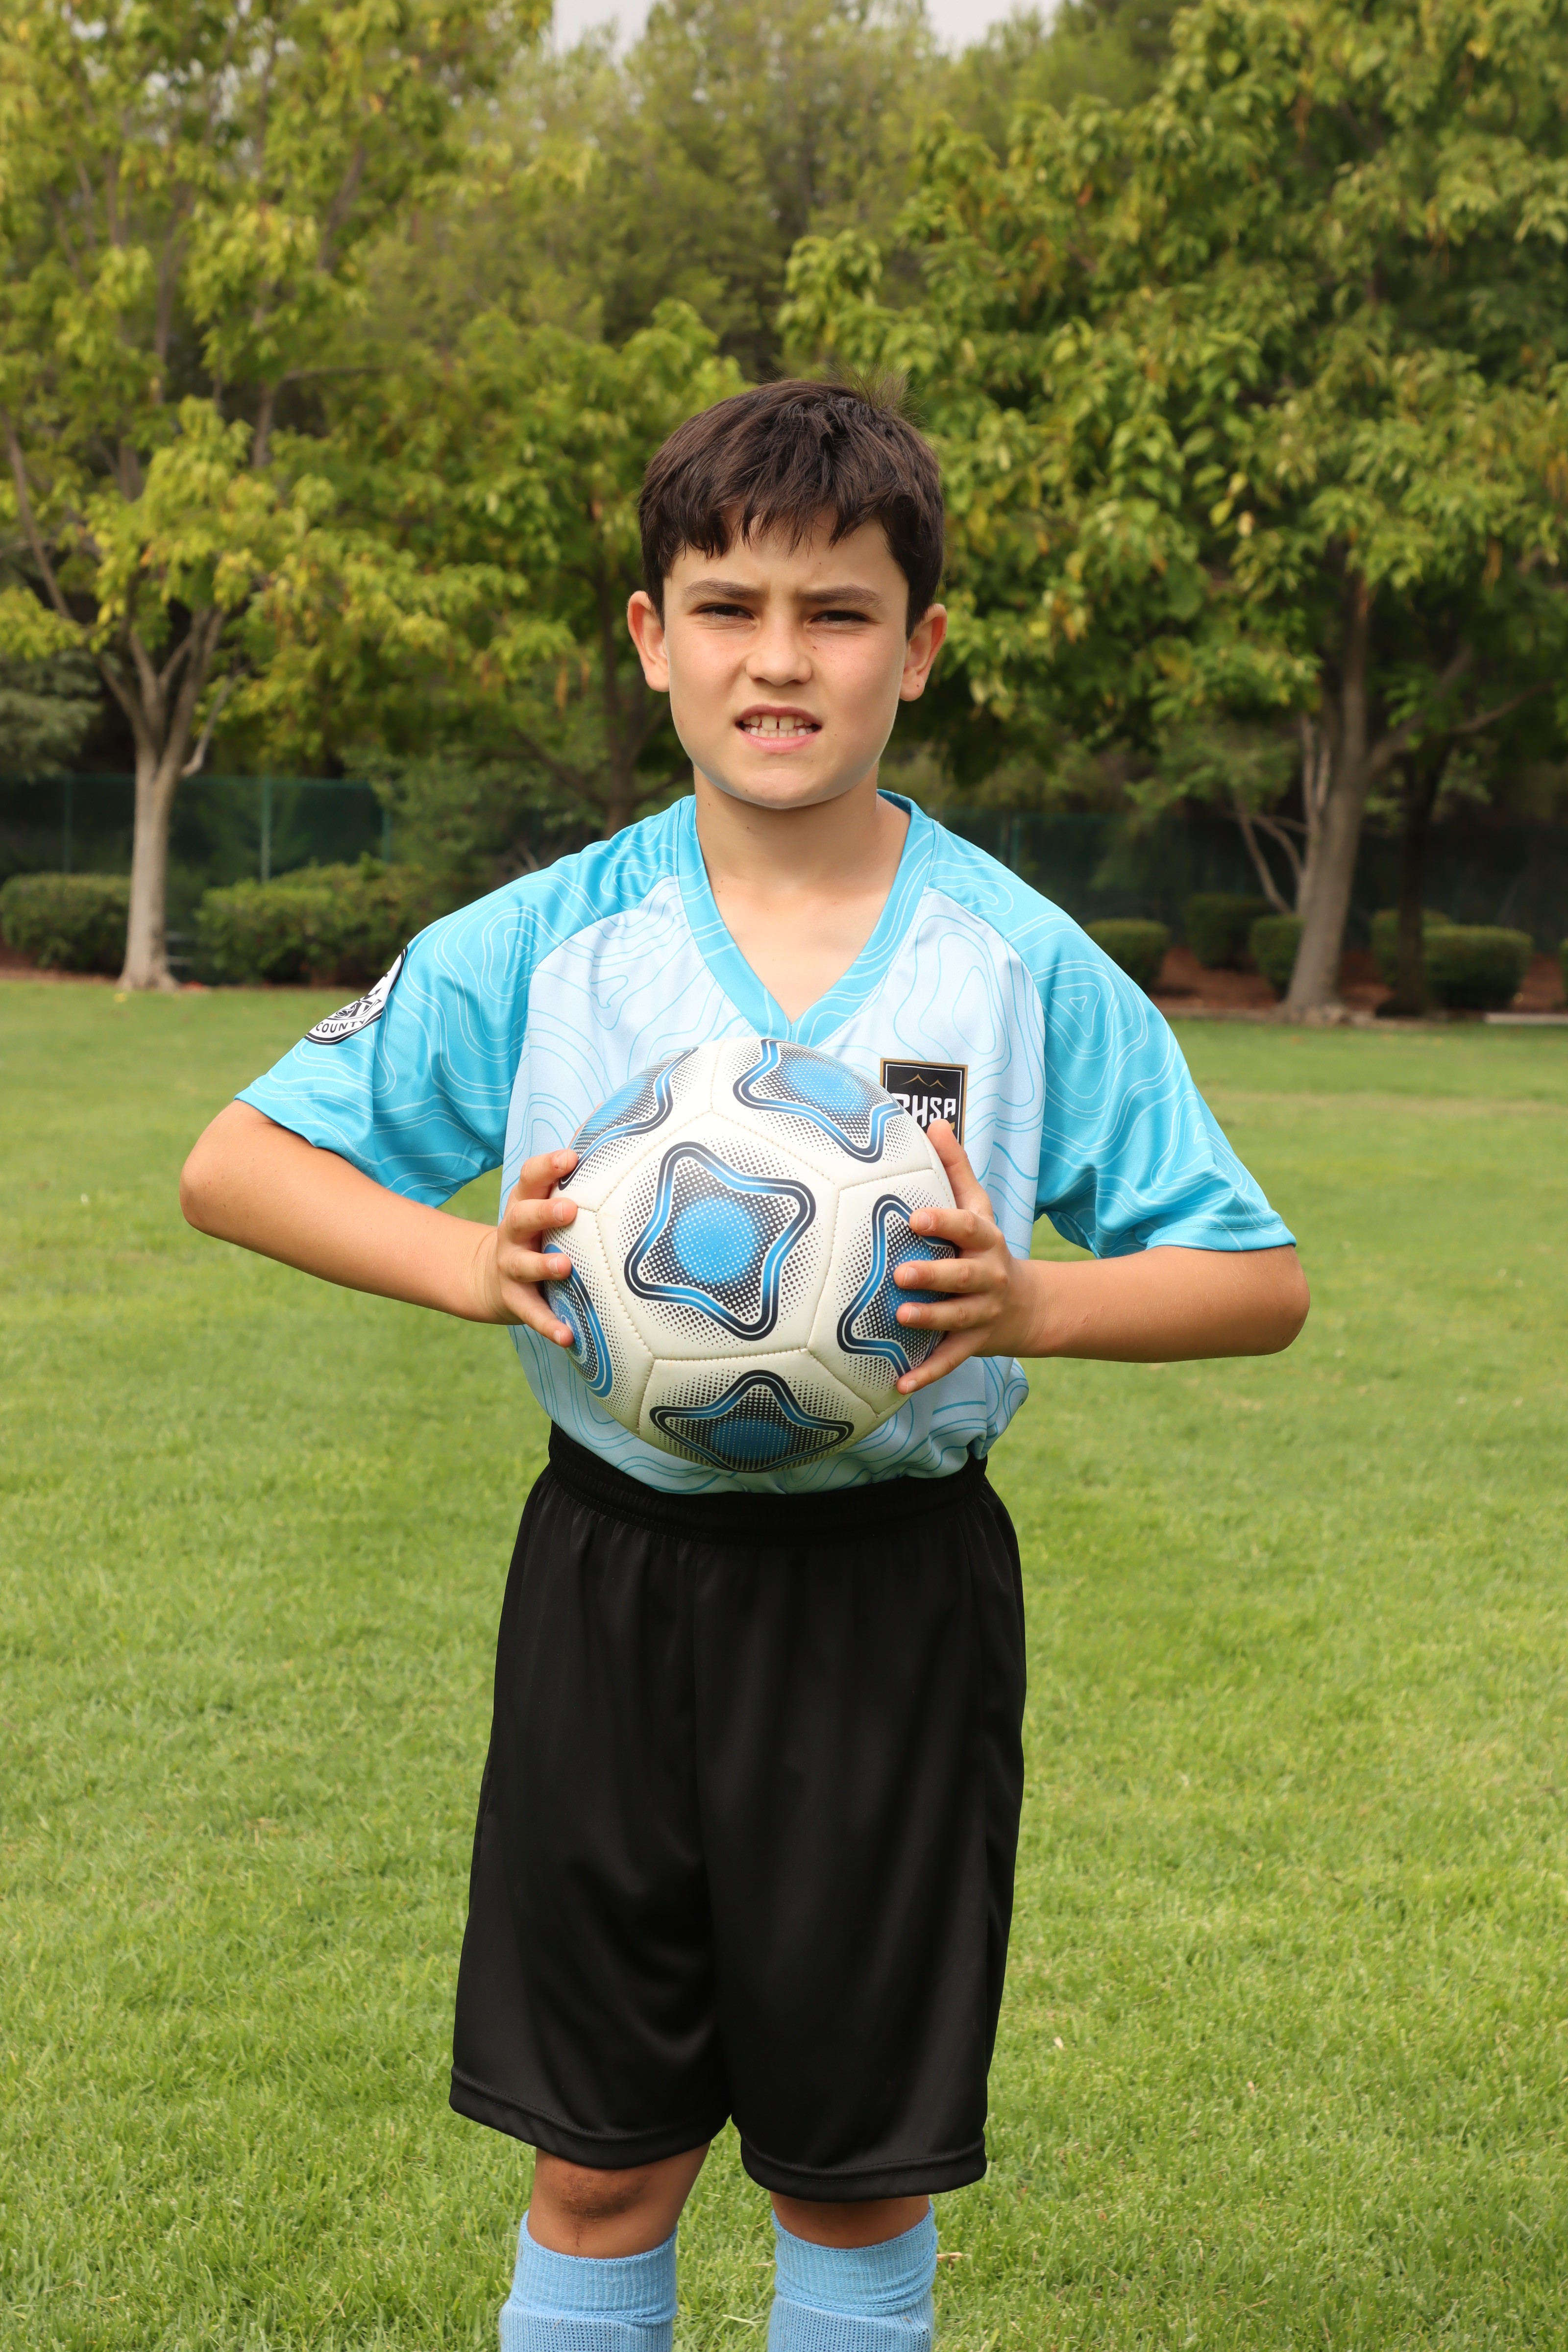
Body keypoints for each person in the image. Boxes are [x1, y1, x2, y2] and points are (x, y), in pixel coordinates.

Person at [181, 378, 1309, 2352]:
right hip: (612, 1583)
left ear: (919, 648)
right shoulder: (549, 941)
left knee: (849, 2170)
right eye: (727, 608)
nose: (778, 660)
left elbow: (1258, 1278)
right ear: (653, 638)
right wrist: (469, 1263)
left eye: (836, 613)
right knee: (596, 2164)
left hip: (893, 1599)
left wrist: (1033, 1305)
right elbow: (234, 1163)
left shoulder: (1014, 961)